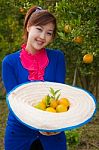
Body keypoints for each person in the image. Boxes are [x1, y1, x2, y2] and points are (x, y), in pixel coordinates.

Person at [2, 6, 67, 150]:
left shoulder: (57, 58)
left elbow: (59, 94)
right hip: (19, 132)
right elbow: (15, 102)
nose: (43, 37)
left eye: (49, 33)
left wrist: (56, 124)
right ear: (28, 27)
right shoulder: (9, 62)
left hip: (52, 131)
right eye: (39, 29)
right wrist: (38, 123)